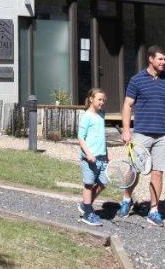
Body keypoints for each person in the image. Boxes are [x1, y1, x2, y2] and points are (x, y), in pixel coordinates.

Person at [119, 45, 165, 228]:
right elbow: (127, 105)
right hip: (141, 134)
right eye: (160, 59)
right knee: (134, 170)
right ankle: (126, 199)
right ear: (151, 59)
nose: (164, 62)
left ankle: (153, 210)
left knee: (157, 172)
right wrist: (126, 130)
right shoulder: (137, 80)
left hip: (162, 135)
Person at [76, 88, 109, 226]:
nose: (102, 102)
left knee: (103, 183)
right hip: (89, 158)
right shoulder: (86, 116)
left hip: (101, 157)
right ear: (91, 99)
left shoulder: (101, 115)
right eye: (99, 99)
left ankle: (85, 204)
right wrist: (88, 154)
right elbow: (80, 138)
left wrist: (107, 153)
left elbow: (102, 137)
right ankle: (88, 213)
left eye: (103, 100)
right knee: (88, 185)